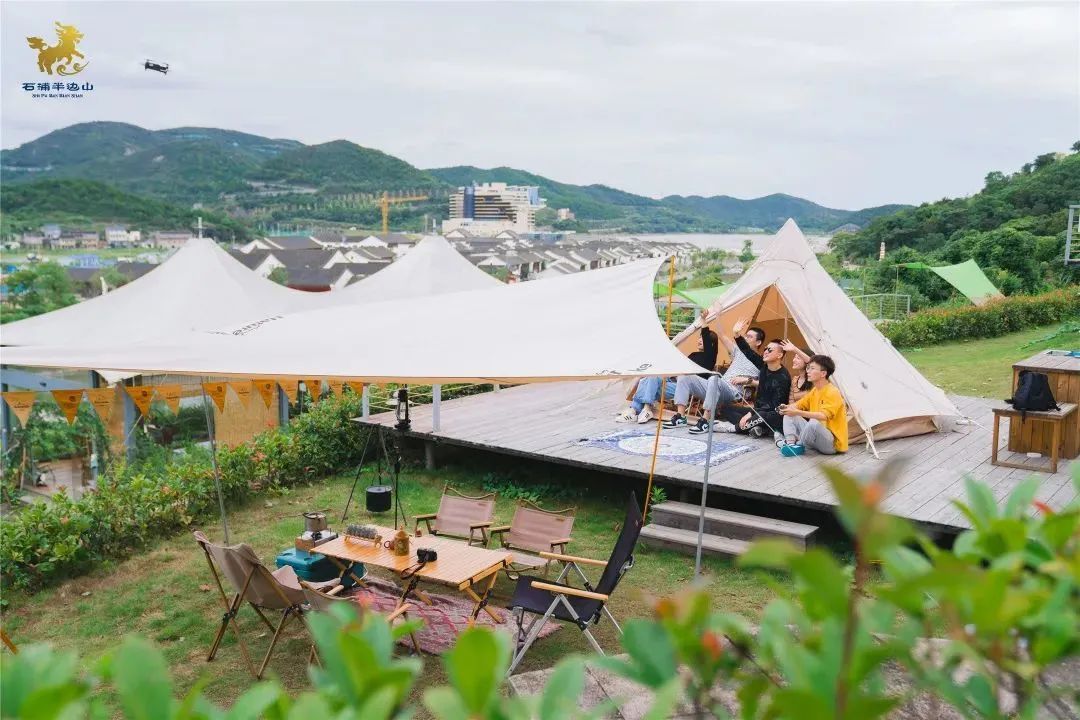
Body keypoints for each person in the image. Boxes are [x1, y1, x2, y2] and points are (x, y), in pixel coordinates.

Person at [663, 317, 764, 429]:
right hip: (717, 385)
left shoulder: (762, 362)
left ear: (758, 342)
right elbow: (721, 334)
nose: (745, 338)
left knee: (714, 378)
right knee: (685, 376)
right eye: (745, 335)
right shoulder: (738, 352)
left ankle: (705, 420)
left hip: (732, 392)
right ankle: (680, 417)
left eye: (749, 337)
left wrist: (747, 380)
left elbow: (765, 383)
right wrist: (718, 313)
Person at [696, 335, 790, 437]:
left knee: (764, 415)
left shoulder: (783, 377)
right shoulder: (764, 367)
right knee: (725, 408)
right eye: (765, 349)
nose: (766, 351)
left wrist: (751, 414)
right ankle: (757, 428)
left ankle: (732, 428)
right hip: (758, 411)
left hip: (773, 415)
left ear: (779, 355)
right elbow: (748, 352)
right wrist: (737, 335)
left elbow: (773, 407)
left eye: (770, 350)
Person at [777, 354, 848, 455]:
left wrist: (796, 411)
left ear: (823, 373)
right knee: (789, 414)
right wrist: (786, 408)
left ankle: (799, 444)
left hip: (832, 445)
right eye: (808, 368)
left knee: (814, 422)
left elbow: (823, 416)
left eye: (812, 368)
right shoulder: (815, 390)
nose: (808, 371)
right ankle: (791, 444)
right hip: (816, 437)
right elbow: (799, 404)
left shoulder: (832, 391)